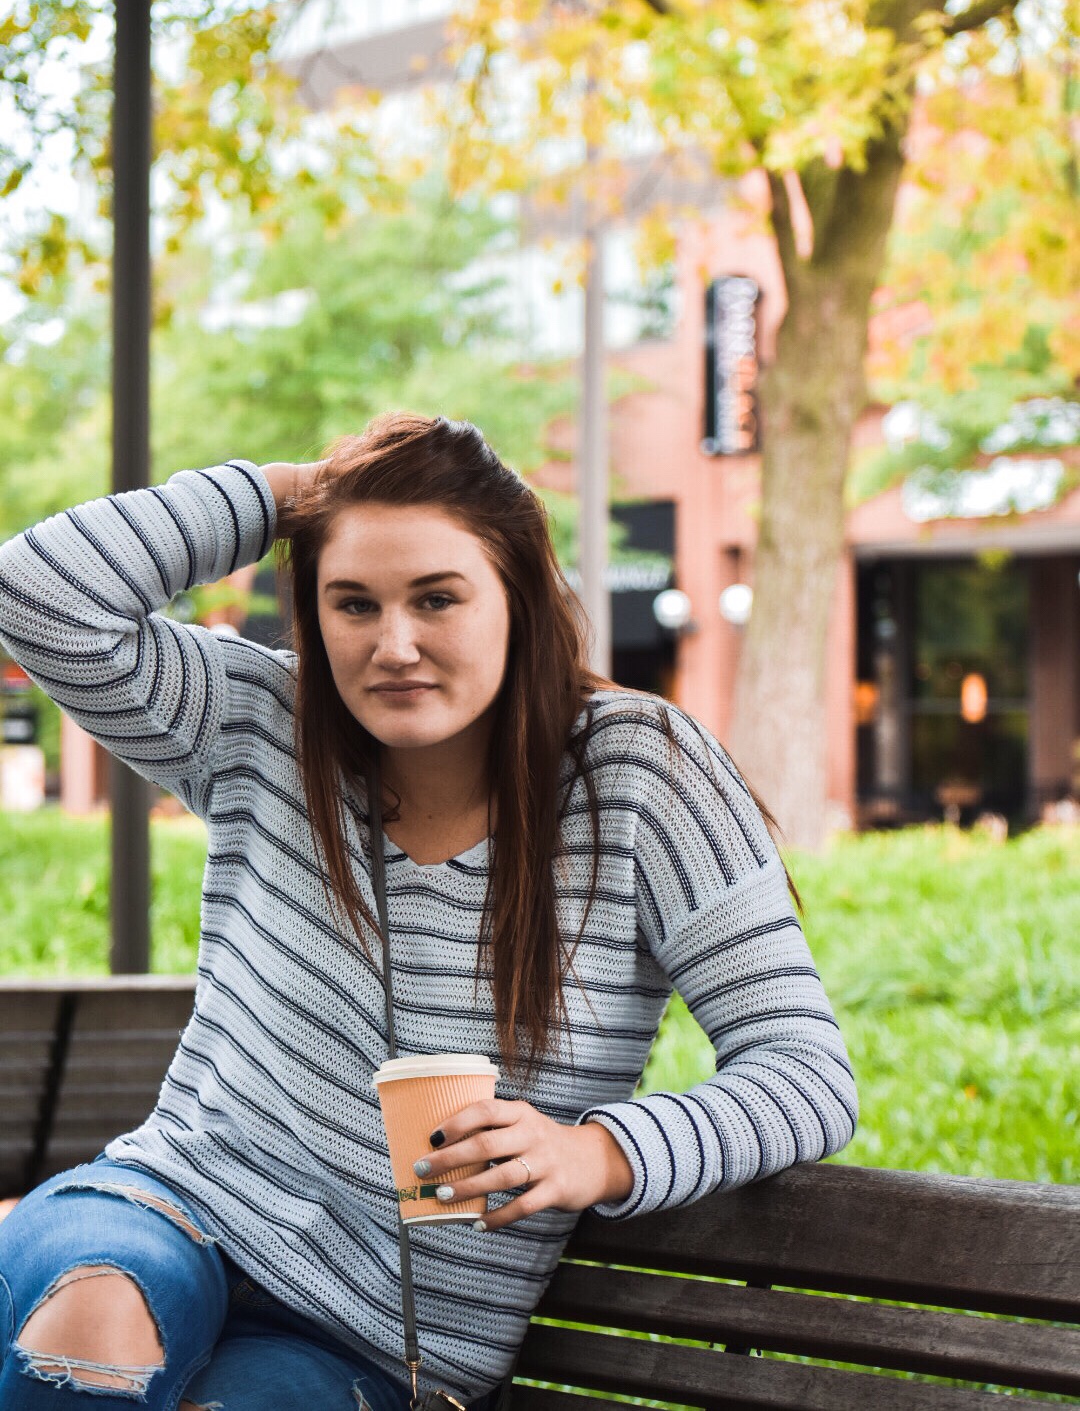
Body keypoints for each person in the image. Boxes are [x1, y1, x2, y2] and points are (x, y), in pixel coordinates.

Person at [0, 412, 857, 1411]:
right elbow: (40, 594)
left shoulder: (638, 775)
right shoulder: (263, 723)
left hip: (382, 1339)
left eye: (437, 598)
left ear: (518, 599)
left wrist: (596, 1152)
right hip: (174, 1207)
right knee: (94, 1332)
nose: (394, 645)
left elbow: (805, 1074)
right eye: (353, 603)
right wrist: (298, 494)